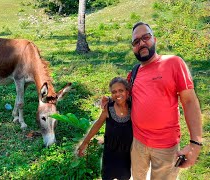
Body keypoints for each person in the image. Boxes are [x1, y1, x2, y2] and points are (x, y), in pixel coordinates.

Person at [102, 22, 203, 179]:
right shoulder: (133, 73)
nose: (141, 43)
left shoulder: (173, 63)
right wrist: (110, 101)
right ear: (133, 47)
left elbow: (190, 102)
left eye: (146, 37)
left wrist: (195, 144)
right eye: (136, 41)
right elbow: (129, 100)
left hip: (166, 147)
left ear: (154, 39)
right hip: (137, 143)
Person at [77, 77, 133, 180]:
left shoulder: (133, 107)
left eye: (121, 90)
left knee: (125, 177)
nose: (117, 94)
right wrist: (85, 142)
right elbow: (97, 125)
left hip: (125, 156)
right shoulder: (108, 108)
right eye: (114, 92)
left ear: (127, 92)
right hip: (110, 155)